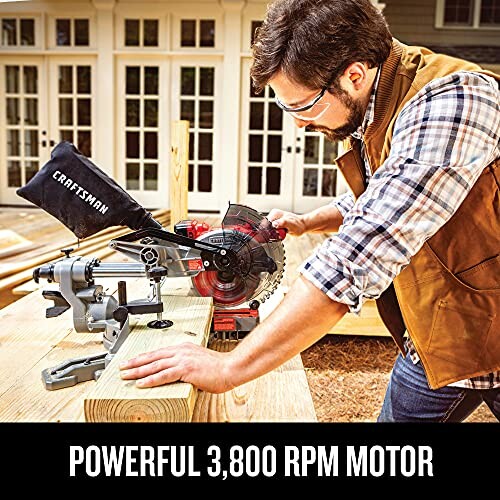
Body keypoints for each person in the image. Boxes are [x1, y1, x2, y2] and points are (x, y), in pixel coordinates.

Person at [120, 0, 500, 422]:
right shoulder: (377, 104)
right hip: (443, 332)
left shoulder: (454, 101)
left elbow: (363, 251)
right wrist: (309, 221)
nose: (299, 125)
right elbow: (386, 194)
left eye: (303, 106)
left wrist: (229, 366)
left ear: (354, 74)